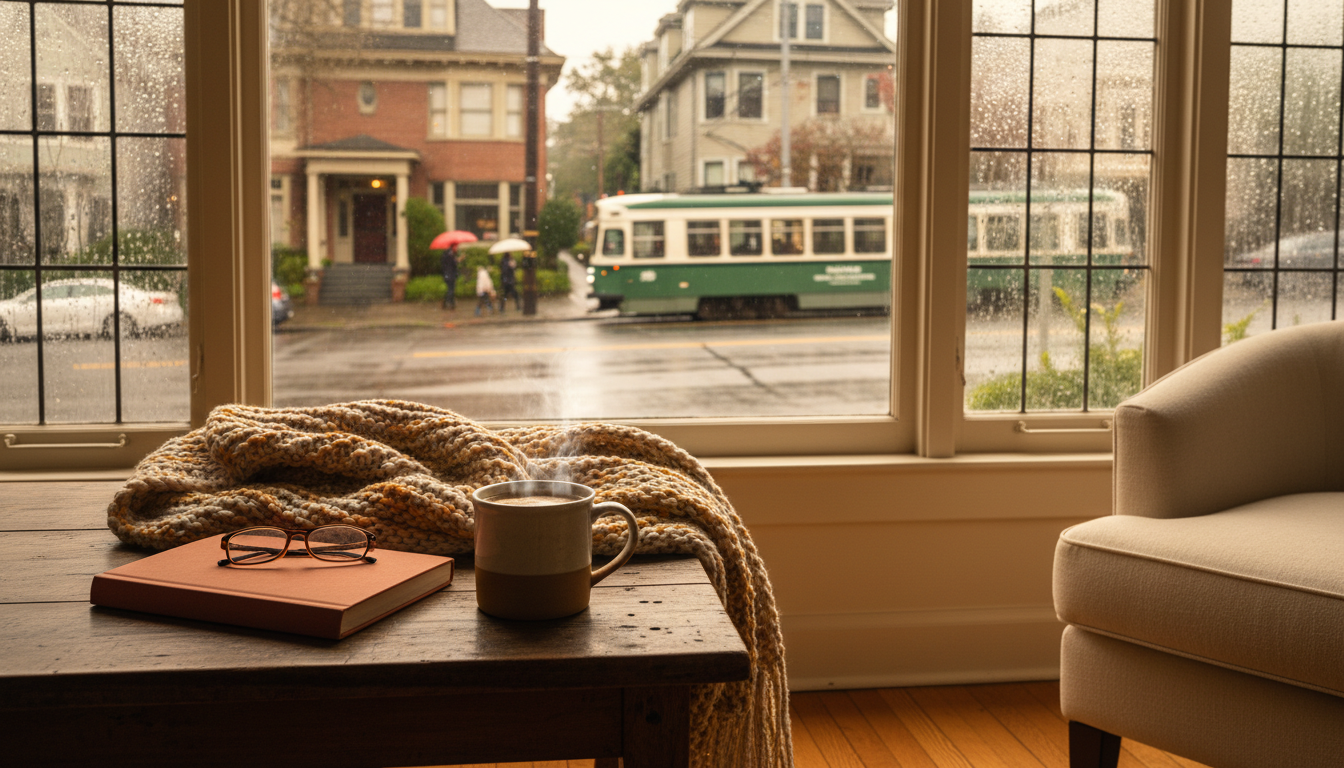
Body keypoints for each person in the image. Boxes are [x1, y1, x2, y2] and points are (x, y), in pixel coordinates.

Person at [440, 245, 459, 309]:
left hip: (446, 275)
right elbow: (454, 264)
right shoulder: (450, 256)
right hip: (451, 275)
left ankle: (450, 303)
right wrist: (457, 260)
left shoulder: (445, 255)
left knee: (450, 289)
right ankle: (448, 302)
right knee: (451, 290)